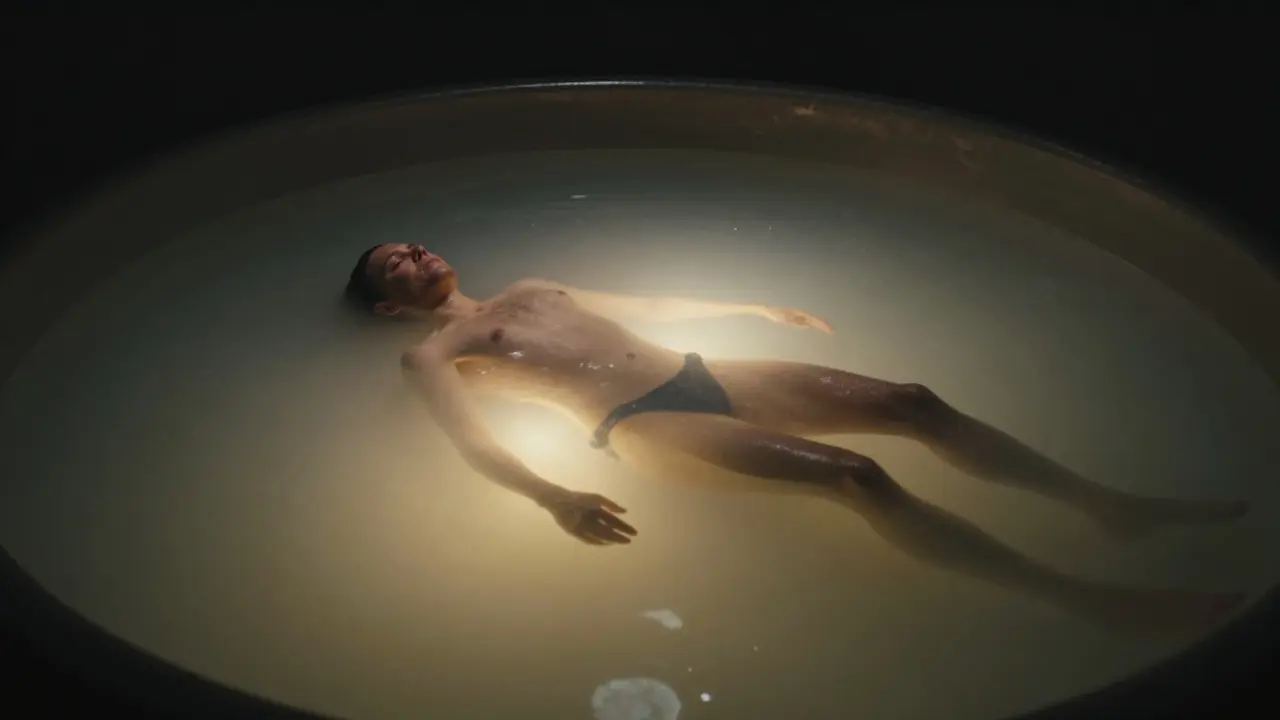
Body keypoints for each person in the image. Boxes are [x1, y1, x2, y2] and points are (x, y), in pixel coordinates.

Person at [345, 242, 1250, 633]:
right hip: (639, 422)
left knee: (913, 400)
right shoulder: (438, 351)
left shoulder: (536, 284)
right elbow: (467, 441)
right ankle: (1082, 597)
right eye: (395, 264)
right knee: (856, 475)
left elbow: (640, 307)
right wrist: (554, 499)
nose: (415, 256)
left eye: (414, 245)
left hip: (700, 366)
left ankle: (1110, 509)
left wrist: (747, 303)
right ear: (389, 304)